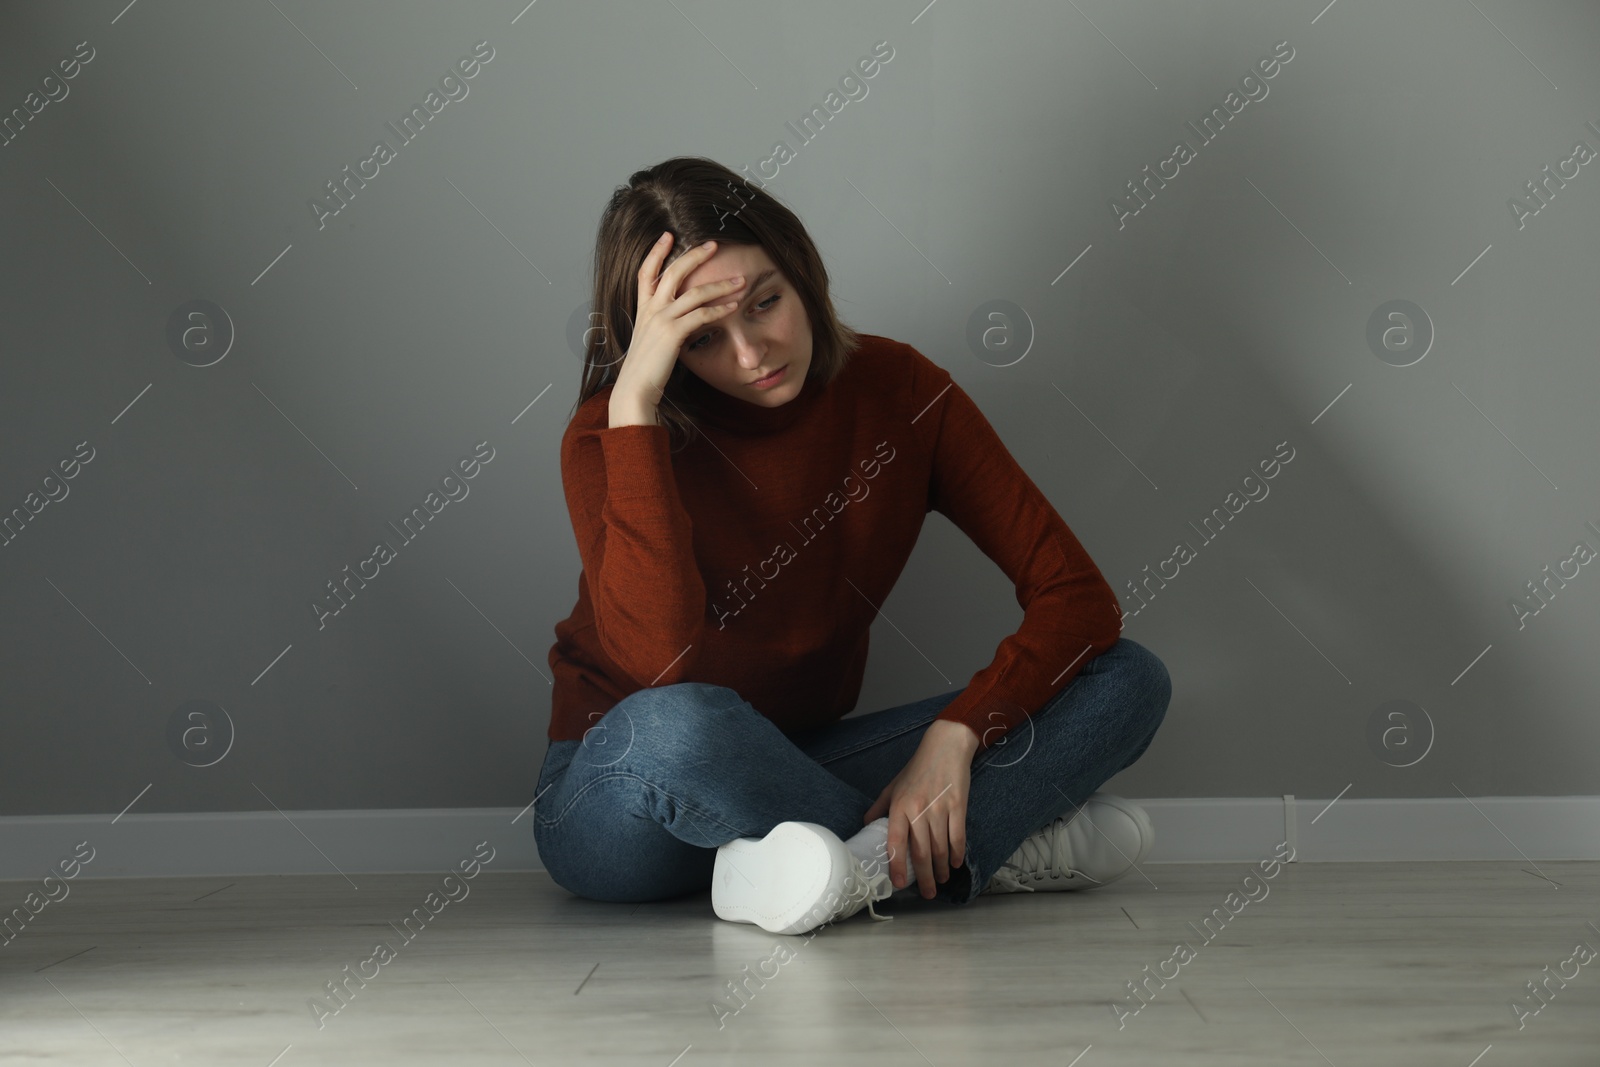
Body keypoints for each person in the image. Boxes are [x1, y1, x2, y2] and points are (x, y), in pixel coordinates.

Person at [535, 156, 1171, 936]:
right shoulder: (612, 433)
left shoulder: (900, 392)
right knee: (680, 723)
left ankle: (842, 870)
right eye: (701, 339)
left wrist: (957, 732)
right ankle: (960, 856)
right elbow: (659, 666)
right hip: (624, 795)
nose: (751, 353)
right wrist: (634, 403)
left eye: (765, 303)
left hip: (799, 765)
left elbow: (1078, 597)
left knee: (1127, 676)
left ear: (802, 272)